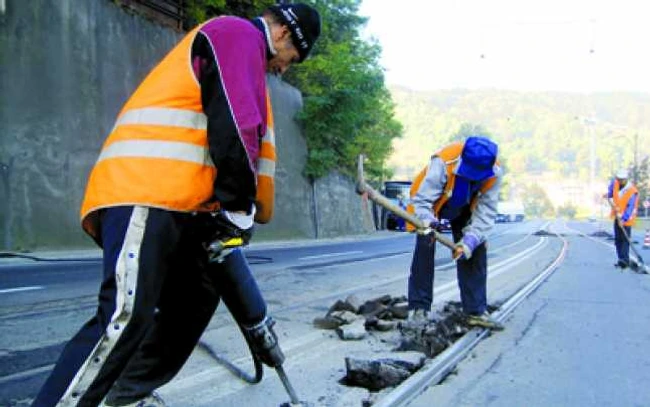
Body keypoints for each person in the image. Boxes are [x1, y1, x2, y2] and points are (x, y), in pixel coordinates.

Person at [32, 3, 321, 407]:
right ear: (285, 34)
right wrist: (238, 208)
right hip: (148, 188)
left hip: (189, 207)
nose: (286, 67)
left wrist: (227, 213)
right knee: (125, 315)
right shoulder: (237, 34)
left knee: (194, 302)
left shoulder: (248, 57)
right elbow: (235, 123)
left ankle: (121, 396)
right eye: (293, 57)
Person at [405, 136, 504, 330]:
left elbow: (485, 212)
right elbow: (422, 200)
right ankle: (418, 309)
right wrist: (428, 221)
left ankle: (475, 311)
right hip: (432, 204)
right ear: (463, 159)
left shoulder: (495, 173)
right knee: (425, 243)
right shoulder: (444, 161)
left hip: (466, 207)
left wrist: (470, 241)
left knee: (476, 248)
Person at [606, 168, 639, 269]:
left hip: (627, 218)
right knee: (618, 239)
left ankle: (625, 260)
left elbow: (630, 207)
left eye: (622, 179)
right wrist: (609, 195)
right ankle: (621, 259)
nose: (620, 181)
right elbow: (611, 192)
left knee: (625, 239)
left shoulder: (632, 191)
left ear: (626, 179)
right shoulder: (615, 183)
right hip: (617, 216)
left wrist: (624, 220)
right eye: (619, 179)